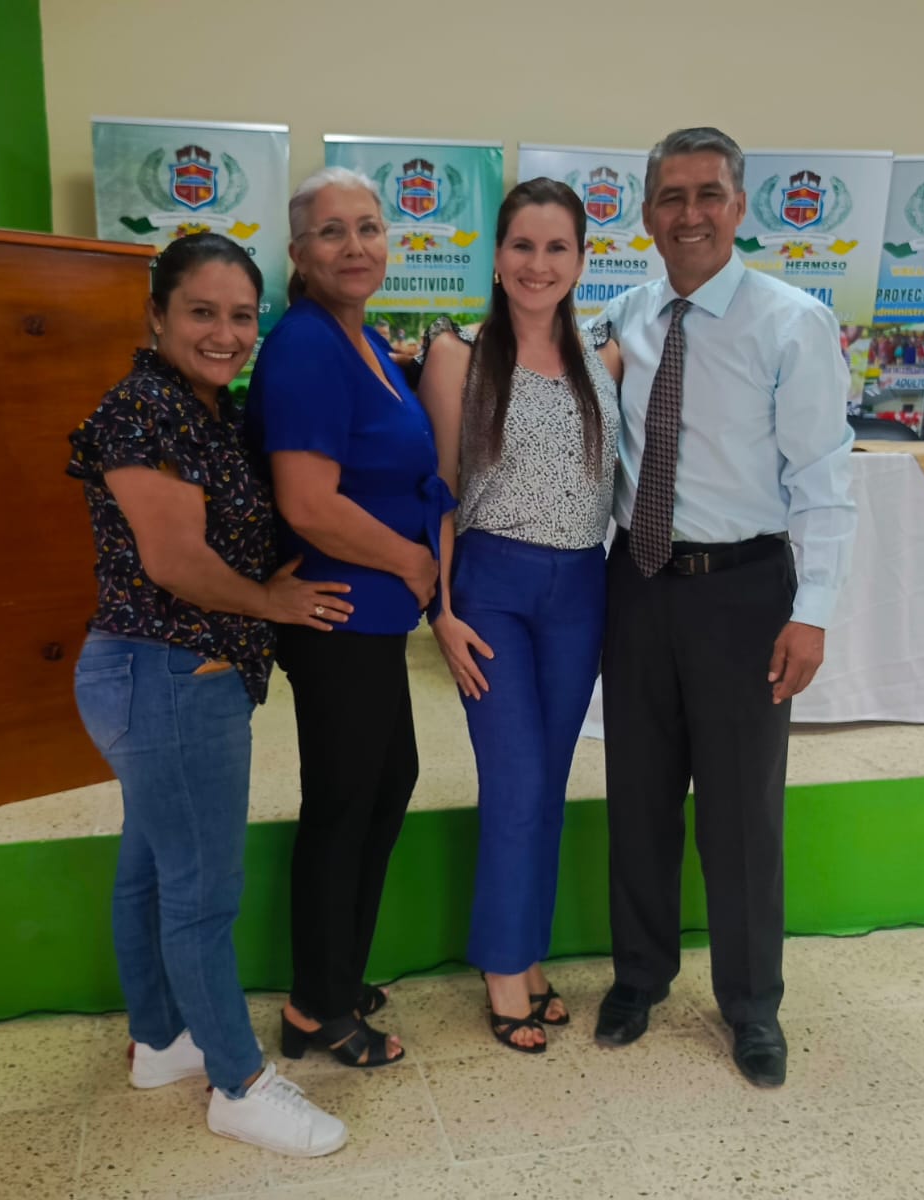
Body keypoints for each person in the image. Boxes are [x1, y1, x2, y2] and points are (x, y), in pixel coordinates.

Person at [67, 234, 350, 1157]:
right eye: (201, 312)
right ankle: (240, 1084)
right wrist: (271, 602)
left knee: (151, 868)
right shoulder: (142, 409)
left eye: (240, 315)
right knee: (201, 891)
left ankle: (161, 1042)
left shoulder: (207, 409)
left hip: (168, 672)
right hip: (168, 672)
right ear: (156, 315)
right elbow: (176, 561)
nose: (225, 333)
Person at [590, 128, 856, 1088]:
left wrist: (812, 611)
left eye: (709, 194)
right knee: (639, 799)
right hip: (637, 584)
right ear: (646, 213)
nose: (690, 214)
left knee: (743, 814)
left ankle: (751, 1005)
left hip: (745, 594)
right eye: (671, 196)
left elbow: (823, 478)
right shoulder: (624, 315)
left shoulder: (793, 323)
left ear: (740, 207)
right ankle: (639, 977)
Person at [247, 167, 454, 1068]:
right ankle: (315, 1008)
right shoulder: (306, 346)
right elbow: (307, 502)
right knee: (345, 804)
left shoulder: (359, 337)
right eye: (332, 232)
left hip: (370, 618)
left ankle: (337, 972)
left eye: (368, 227)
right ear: (299, 253)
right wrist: (412, 560)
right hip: (335, 612)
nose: (355, 245)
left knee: (384, 781)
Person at [415, 179, 620, 1053]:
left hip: (581, 589)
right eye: (523, 246)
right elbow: (438, 490)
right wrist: (440, 610)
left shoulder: (604, 357)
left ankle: (528, 954)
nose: (539, 264)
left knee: (550, 782)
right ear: (497, 258)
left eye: (557, 247)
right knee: (514, 780)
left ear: (581, 260)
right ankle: (504, 967)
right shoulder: (457, 354)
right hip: (492, 585)